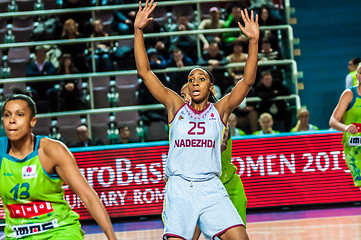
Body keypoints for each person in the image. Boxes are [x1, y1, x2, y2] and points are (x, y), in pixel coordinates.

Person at [134, 1, 258, 239]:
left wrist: (253, 42)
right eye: (191, 79)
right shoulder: (175, 106)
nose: (194, 82)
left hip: (211, 187)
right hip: (180, 187)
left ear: (210, 86)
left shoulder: (219, 111)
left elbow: (247, 81)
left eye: (200, 78)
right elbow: (145, 72)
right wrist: (138, 31)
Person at [0, 94, 117, 239]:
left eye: (20, 115)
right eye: (7, 115)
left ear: (33, 121)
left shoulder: (52, 150)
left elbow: (87, 196)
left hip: (59, 230)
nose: (12, 120)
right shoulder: (1, 151)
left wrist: (112, 237)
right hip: (17, 235)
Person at [330, 63, 361, 188]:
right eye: (360, 73)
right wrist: (345, 127)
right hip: (354, 142)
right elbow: (333, 120)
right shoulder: (349, 94)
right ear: (357, 76)